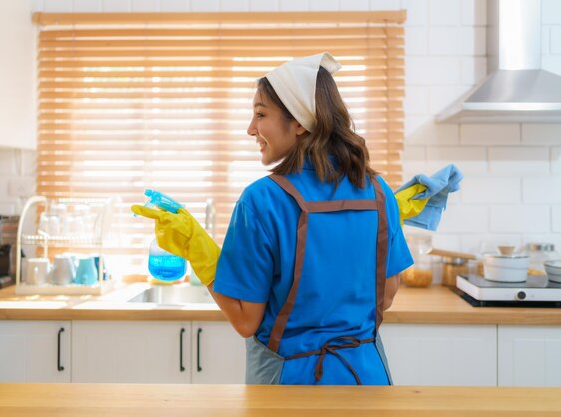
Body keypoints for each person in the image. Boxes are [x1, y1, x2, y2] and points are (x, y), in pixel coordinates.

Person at [132, 52, 414, 385]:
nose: (251, 129)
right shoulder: (379, 192)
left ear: (299, 122)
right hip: (366, 380)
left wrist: (198, 249)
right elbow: (387, 293)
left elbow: (245, 321)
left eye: (260, 114)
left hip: (291, 386)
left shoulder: (262, 200)